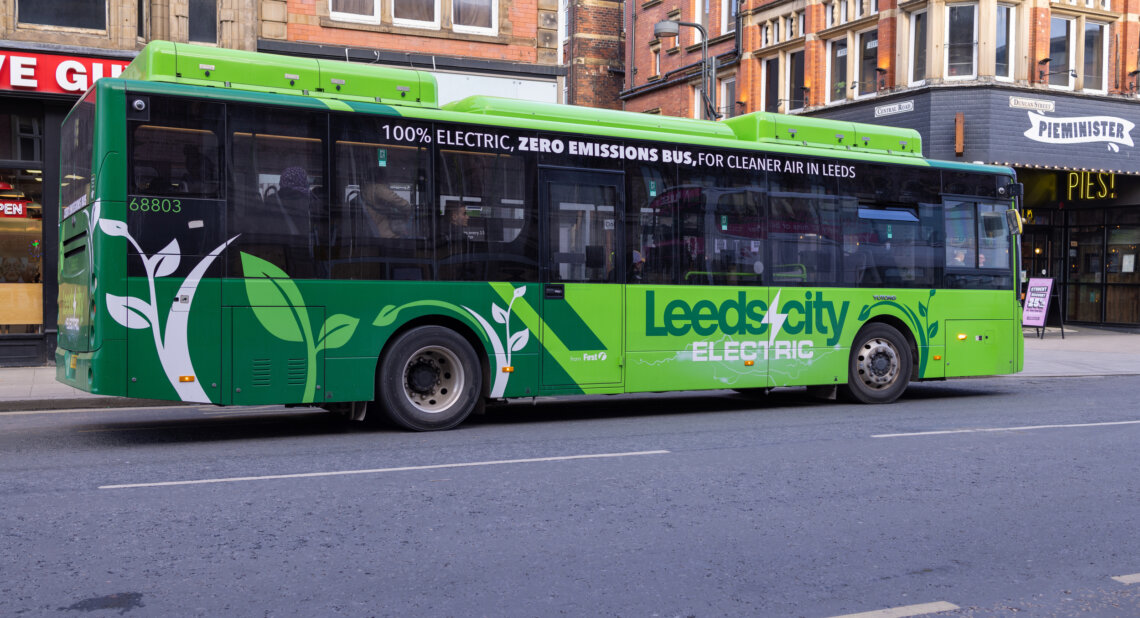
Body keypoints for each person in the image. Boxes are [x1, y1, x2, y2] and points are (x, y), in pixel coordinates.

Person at [362, 169, 413, 239]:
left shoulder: (366, 189)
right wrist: (408, 207)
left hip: (376, 225)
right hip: (383, 230)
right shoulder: (377, 188)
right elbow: (393, 198)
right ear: (380, 178)